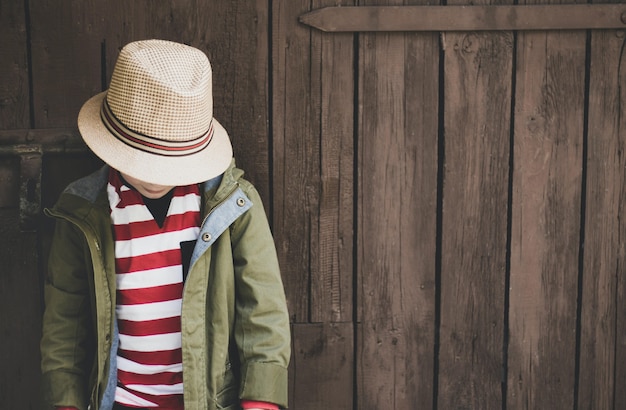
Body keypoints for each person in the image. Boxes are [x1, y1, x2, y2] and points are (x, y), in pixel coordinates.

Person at [40, 39, 291, 410]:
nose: (154, 177)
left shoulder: (232, 206)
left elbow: (263, 312)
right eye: (141, 161)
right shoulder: (83, 212)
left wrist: (262, 399)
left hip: (205, 402)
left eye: (165, 163)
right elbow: (64, 321)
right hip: (119, 401)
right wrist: (66, 399)